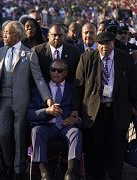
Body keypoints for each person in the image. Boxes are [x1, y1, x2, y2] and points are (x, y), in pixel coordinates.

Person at [0, 21, 53, 180]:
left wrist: (48, 98)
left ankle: (18, 170)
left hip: (22, 102)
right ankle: (8, 164)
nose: (4, 36)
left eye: (7, 33)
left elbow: (38, 79)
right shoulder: (1, 51)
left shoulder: (29, 54)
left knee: (19, 136)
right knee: (2, 134)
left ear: (16, 35)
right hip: (3, 99)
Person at [71, 31, 137, 180]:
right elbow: (78, 87)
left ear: (113, 43)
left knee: (117, 150)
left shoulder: (124, 58)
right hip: (95, 112)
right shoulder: (86, 58)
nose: (105, 47)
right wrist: (75, 109)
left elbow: (133, 85)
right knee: (97, 150)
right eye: (101, 44)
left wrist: (133, 106)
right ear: (97, 45)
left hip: (118, 110)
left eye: (108, 43)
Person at [27, 59, 82, 180]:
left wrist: (75, 119)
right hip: (47, 127)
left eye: (60, 70)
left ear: (66, 73)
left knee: (76, 132)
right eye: (53, 70)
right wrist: (46, 111)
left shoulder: (73, 89)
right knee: (36, 131)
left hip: (65, 127)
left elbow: (81, 113)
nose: (55, 73)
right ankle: (43, 172)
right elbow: (30, 114)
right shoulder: (39, 90)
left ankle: (71, 172)